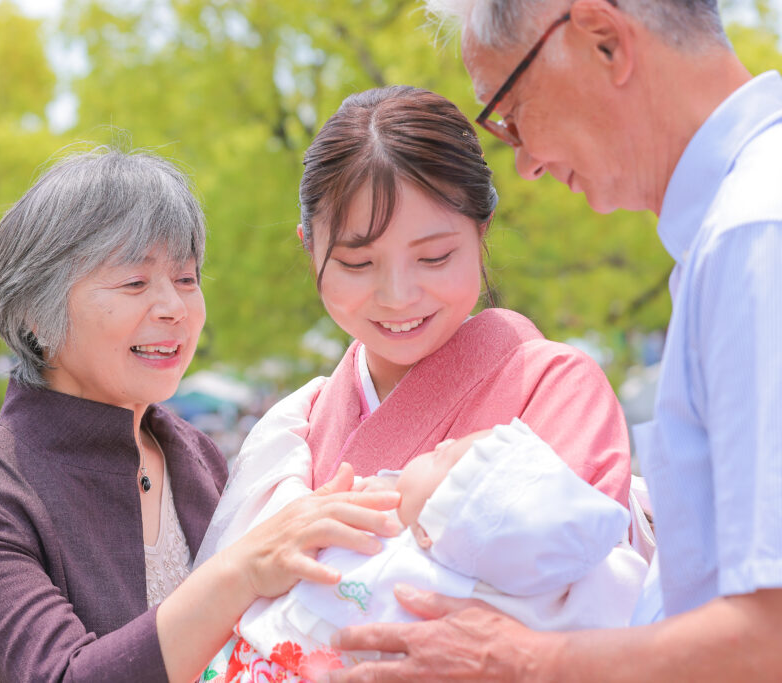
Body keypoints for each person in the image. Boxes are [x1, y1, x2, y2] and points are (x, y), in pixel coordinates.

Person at [324, 0, 782, 680]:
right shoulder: (738, 229)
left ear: (603, 39)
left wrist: (521, 658)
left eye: (510, 110)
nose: (526, 161)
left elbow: (767, 632)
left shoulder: (753, 237)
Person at [196, 85, 646, 675]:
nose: (398, 295)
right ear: (311, 250)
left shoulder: (556, 387)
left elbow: (583, 603)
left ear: (482, 231)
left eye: (434, 257)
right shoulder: (297, 425)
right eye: (358, 264)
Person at [0, 147, 403, 683]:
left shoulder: (194, 452)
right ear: (35, 312)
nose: (174, 307)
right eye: (134, 283)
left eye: (187, 279)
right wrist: (243, 570)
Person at [211, 420, 645, 682]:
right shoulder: (546, 587)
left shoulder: (389, 557)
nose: (439, 443)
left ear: (427, 534)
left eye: (445, 458)